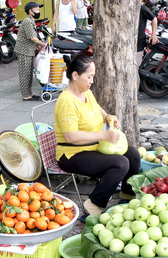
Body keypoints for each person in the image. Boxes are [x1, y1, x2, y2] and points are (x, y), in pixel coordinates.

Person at [54, 54, 140, 216]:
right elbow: (71, 137)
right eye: (89, 77)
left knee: (133, 154)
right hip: (72, 154)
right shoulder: (67, 101)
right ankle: (93, 204)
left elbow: (98, 110)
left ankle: (127, 194)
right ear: (75, 75)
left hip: (92, 148)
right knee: (120, 163)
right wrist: (104, 136)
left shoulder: (86, 93)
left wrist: (108, 117)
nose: (92, 81)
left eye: (93, 76)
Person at [16, 1, 46, 101]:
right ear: (30, 11)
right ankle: (26, 95)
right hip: (24, 50)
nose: (38, 11)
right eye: (36, 9)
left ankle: (29, 94)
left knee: (29, 73)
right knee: (25, 73)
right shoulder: (28, 22)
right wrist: (43, 44)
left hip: (29, 50)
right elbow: (32, 38)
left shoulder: (31, 21)